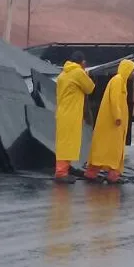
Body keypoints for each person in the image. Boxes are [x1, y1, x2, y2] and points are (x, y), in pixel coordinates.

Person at [85, 59, 134, 184]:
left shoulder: (120, 81)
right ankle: (112, 175)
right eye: (133, 70)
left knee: (105, 149)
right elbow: (114, 100)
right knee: (113, 150)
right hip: (113, 123)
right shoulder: (118, 81)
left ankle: (93, 173)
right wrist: (117, 116)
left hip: (113, 123)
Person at [54, 51, 95, 183]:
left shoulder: (63, 74)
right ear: (82, 62)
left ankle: (64, 169)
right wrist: (86, 74)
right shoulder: (78, 73)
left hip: (63, 112)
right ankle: (61, 172)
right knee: (68, 143)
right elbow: (90, 88)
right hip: (71, 113)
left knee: (65, 142)